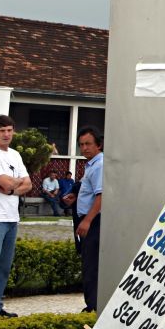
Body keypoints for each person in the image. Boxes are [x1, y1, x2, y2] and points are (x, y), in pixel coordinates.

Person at [0, 115, 31, 317]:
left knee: (4, 267)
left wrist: (11, 189)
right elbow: (7, 182)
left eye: (9, 130)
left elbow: (28, 184)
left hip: (11, 218)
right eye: (2, 131)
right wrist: (16, 182)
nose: (6, 134)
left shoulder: (15, 155)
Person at [75, 126, 103, 312]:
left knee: (91, 264)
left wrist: (87, 221)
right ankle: (92, 304)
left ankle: (92, 306)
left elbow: (101, 196)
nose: (84, 148)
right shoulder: (91, 165)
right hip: (88, 219)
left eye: (88, 144)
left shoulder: (99, 165)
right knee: (89, 262)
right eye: (81, 145)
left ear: (98, 145)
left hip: (93, 221)